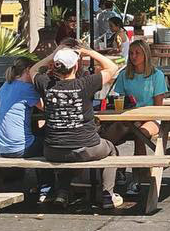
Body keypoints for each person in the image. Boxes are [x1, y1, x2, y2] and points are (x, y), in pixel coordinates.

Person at [40, 44, 123, 209]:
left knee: (67, 150)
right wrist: (89, 52)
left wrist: (54, 54)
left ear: (55, 66)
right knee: (111, 149)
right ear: (76, 66)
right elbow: (113, 67)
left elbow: (33, 70)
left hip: (52, 151)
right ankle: (108, 195)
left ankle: (62, 194)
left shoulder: (45, 84)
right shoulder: (85, 84)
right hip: (85, 148)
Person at [105, 38, 170, 144]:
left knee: (140, 134)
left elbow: (158, 108)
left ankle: (140, 157)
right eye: (131, 53)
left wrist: (141, 119)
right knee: (109, 136)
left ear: (145, 55)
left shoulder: (157, 75)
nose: (133, 56)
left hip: (151, 118)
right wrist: (134, 119)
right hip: (129, 117)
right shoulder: (124, 75)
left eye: (137, 53)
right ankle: (108, 155)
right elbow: (122, 101)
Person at [0, 56, 42, 158]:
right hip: (21, 147)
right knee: (50, 144)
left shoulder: (7, 84)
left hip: (2, 148)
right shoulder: (28, 88)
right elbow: (45, 108)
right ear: (28, 70)